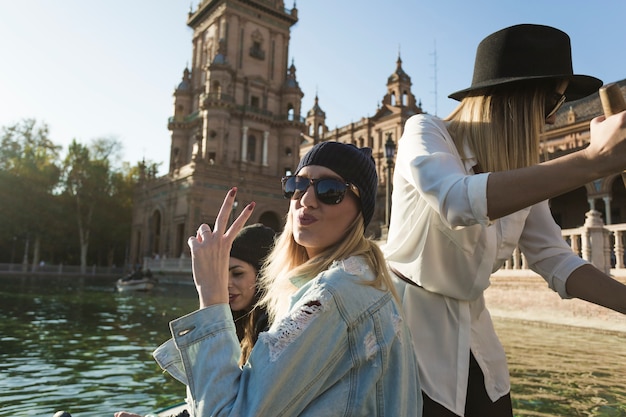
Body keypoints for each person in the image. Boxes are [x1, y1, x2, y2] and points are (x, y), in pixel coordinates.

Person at [384, 23, 626, 417]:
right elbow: (455, 199)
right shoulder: (426, 132)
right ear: (513, 98)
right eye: (552, 104)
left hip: (480, 339)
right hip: (406, 340)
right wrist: (594, 161)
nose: (551, 121)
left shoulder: (523, 171)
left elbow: (556, 259)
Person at [116, 141, 421, 417]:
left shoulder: (331, 297)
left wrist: (211, 294)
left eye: (330, 190)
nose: (307, 200)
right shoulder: (367, 282)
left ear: (360, 211)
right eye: (297, 185)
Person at [227, 223, 276, 365]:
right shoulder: (238, 323)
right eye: (222, 274)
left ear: (263, 275)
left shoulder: (275, 331)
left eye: (237, 273)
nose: (226, 283)